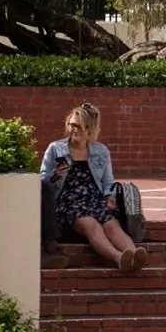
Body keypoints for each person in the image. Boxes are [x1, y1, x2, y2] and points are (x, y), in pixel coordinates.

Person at [41, 104, 147, 273]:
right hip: (68, 201)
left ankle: (135, 256)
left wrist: (109, 196)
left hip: (94, 199)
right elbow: (43, 181)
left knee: (112, 225)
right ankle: (119, 258)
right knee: (93, 226)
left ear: (89, 130)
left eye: (78, 127)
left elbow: (108, 180)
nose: (73, 130)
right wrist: (57, 174)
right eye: (71, 125)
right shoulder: (56, 148)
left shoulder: (100, 151)